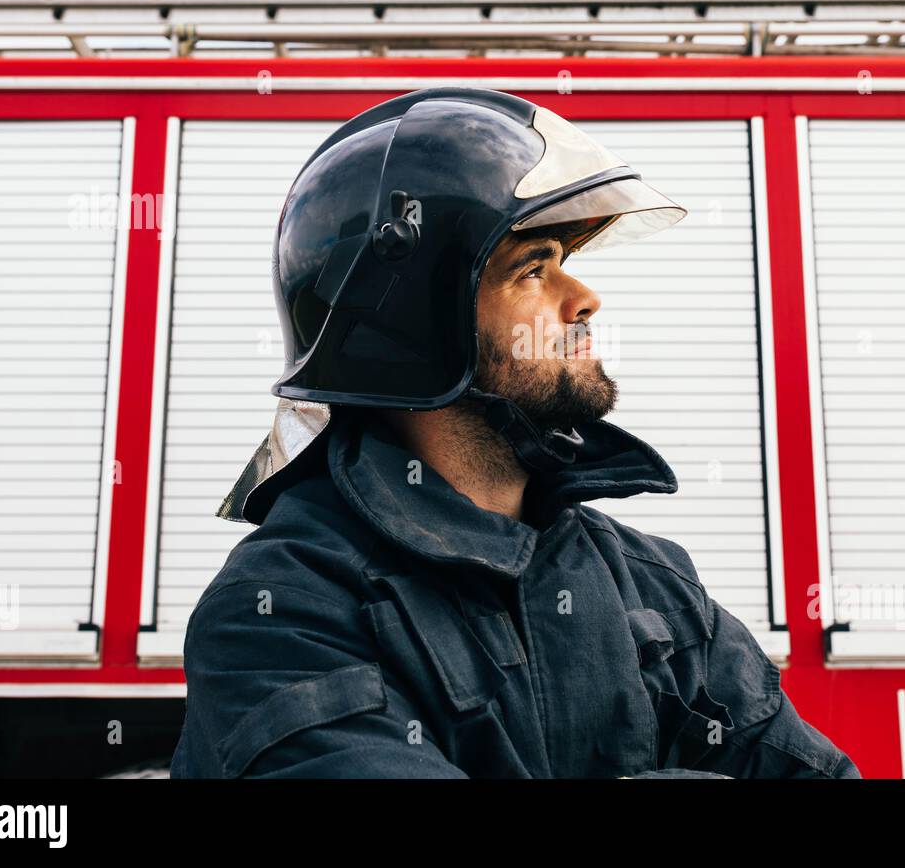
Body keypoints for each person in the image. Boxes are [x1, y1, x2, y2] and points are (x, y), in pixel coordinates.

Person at [168, 87, 860, 779]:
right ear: (419, 330)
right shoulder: (280, 611)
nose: (585, 298)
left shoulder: (650, 583)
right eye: (533, 268)